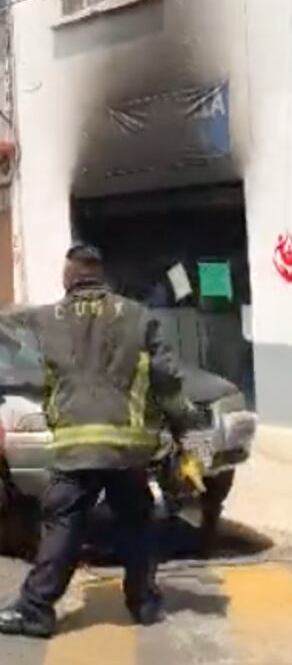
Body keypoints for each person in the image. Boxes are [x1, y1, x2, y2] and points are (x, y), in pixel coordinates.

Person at [0, 243, 195, 638]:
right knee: (136, 523)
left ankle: (36, 608)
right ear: (101, 276)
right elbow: (167, 379)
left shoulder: (45, 320)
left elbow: (20, 355)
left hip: (74, 449)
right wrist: (183, 427)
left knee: (63, 526)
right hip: (127, 449)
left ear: (68, 277)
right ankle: (143, 603)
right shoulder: (137, 316)